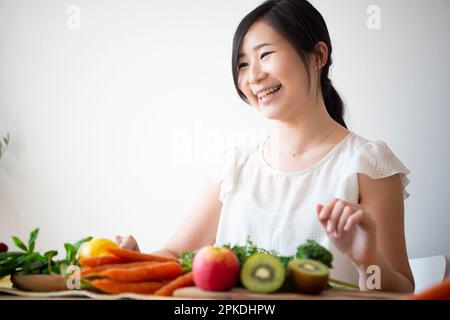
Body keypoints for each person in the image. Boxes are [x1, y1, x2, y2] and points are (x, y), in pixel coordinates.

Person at [117, 0, 414, 292]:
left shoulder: (366, 163)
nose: (254, 76)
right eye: (243, 64)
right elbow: (174, 255)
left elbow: (402, 291)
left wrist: (368, 260)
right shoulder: (235, 165)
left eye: (266, 55)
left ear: (318, 55)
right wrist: (129, 260)